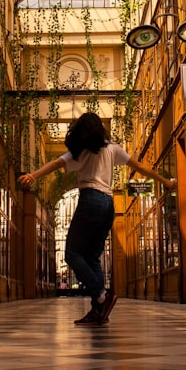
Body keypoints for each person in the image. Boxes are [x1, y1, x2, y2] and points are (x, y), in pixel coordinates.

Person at [18, 113, 175, 326]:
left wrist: (33, 175)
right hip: (108, 204)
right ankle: (98, 311)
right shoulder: (112, 148)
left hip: (90, 200)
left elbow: (55, 164)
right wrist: (165, 181)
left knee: (72, 254)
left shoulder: (79, 152)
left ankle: (102, 295)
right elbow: (139, 167)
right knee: (92, 257)